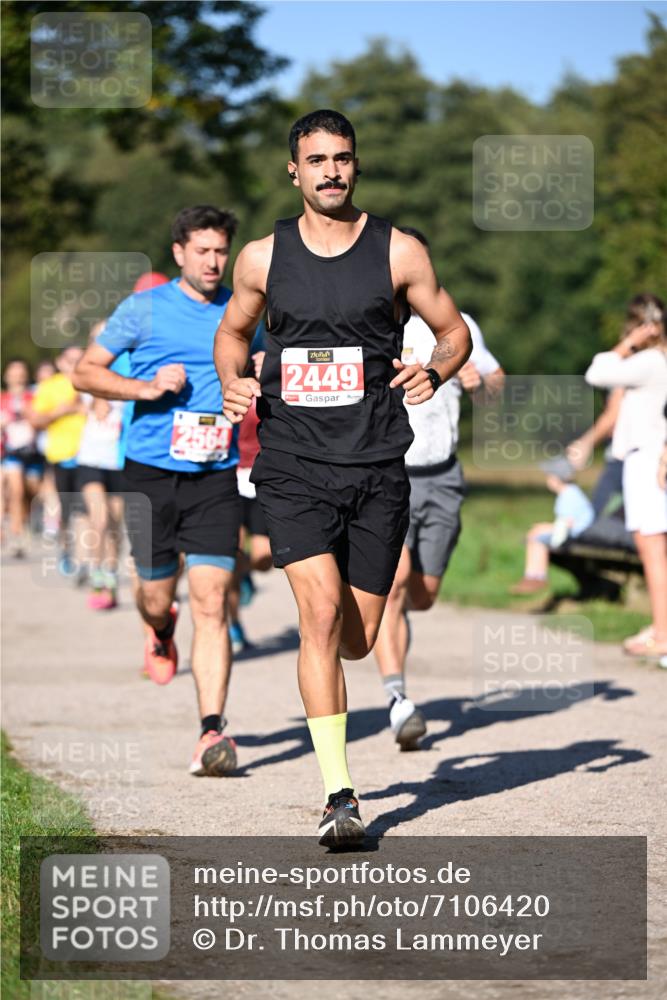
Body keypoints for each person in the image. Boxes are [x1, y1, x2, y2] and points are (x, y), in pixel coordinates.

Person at [214, 109, 471, 845]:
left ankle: (346, 729)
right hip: (292, 464)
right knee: (319, 616)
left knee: (357, 637)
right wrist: (233, 381)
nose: (331, 170)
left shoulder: (400, 252)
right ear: (292, 170)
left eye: (343, 158)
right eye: (316, 159)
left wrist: (435, 370)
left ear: (356, 166)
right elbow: (232, 333)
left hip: (375, 465)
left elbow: (454, 333)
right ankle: (339, 796)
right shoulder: (263, 258)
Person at [72, 206, 242, 777]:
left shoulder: (244, 309)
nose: (213, 262)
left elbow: (268, 362)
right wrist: (145, 387)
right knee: (152, 595)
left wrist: (261, 366)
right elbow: (86, 373)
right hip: (148, 475)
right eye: (202, 251)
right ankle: (160, 629)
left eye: (221, 251)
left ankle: (212, 732)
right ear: (179, 253)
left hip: (216, 475)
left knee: (213, 602)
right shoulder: (143, 309)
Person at [372, 227, 505, 749]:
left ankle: (389, 629)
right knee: (395, 583)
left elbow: (497, 386)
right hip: (390, 474)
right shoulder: (374, 324)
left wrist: (480, 384)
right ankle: (397, 698)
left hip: (443, 475)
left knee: (422, 596)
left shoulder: (459, 325)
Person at [585, 294, 667, 658]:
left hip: (646, 460)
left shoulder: (649, 360)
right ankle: (660, 625)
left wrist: (629, 344)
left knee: (652, 548)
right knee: (654, 547)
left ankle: (663, 634)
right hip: (647, 456)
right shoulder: (657, 362)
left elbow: (596, 372)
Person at [29, 346, 86, 575]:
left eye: (78, 359)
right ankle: (66, 549)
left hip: (90, 457)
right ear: (60, 362)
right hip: (61, 456)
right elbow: (35, 420)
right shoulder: (50, 386)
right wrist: (61, 411)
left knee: (87, 510)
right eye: (70, 360)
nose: (74, 363)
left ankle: (85, 560)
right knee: (67, 510)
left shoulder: (93, 382)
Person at [509, 457, 595, 594]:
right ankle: (531, 576)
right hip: (574, 532)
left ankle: (537, 576)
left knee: (538, 538)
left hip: (577, 534)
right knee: (536, 535)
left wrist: (543, 527)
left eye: (549, 477)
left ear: (557, 478)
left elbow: (567, 525)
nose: (547, 480)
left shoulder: (569, 495)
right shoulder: (569, 493)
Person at [1, 359, 44, 557]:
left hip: (33, 453)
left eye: (21, 372)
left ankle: (24, 524)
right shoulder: (2, 399)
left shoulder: (34, 397)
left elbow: (42, 420)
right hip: (10, 452)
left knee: (31, 494)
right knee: (16, 490)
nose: (17, 376)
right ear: (6, 376)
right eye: (13, 372)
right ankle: (16, 535)